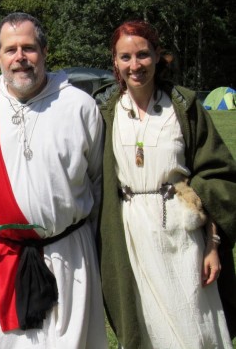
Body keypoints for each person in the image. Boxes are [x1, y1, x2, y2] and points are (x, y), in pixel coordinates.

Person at [0, 12, 108, 349]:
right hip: (0, 257)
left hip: (68, 255)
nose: (20, 58)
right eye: (10, 50)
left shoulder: (80, 107)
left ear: (45, 51)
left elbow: (97, 181)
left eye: (29, 48)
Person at [98, 20, 236, 348]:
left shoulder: (184, 107)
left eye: (143, 55)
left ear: (158, 56)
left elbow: (217, 175)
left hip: (183, 236)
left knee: (194, 327)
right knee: (148, 328)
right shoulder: (105, 111)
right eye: (126, 57)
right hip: (131, 236)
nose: (135, 65)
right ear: (115, 61)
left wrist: (213, 245)